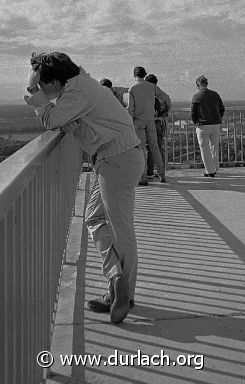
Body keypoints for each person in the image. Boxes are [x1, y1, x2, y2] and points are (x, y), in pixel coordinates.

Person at [24, 52, 144, 323]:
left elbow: (50, 120)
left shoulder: (77, 93)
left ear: (54, 82)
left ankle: (123, 292)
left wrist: (33, 94)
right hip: (115, 158)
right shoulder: (80, 87)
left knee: (120, 227)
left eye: (43, 84)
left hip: (116, 159)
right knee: (96, 218)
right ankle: (116, 280)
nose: (43, 90)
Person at [127, 66, 166, 185]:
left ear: (134, 75)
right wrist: (164, 111)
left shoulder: (132, 88)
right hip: (151, 120)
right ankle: (162, 174)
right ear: (144, 74)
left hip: (138, 121)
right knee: (155, 147)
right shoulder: (152, 86)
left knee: (142, 149)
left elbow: (130, 109)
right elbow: (166, 98)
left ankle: (142, 177)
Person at [191, 75, 225, 177]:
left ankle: (210, 171)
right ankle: (214, 168)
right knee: (214, 146)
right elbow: (222, 109)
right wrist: (218, 118)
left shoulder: (196, 96)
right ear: (207, 83)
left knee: (204, 148)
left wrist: (195, 122)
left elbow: (193, 113)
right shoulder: (215, 94)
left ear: (198, 84)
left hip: (203, 125)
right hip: (215, 124)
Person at [144, 73, 171, 179]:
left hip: (149, 122)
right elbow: (167, 107)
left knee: (149, 148)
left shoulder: (146, 95)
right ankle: (161, 171)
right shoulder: (161, 95)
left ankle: (149, 172)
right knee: (159, 147)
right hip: (160, 123)